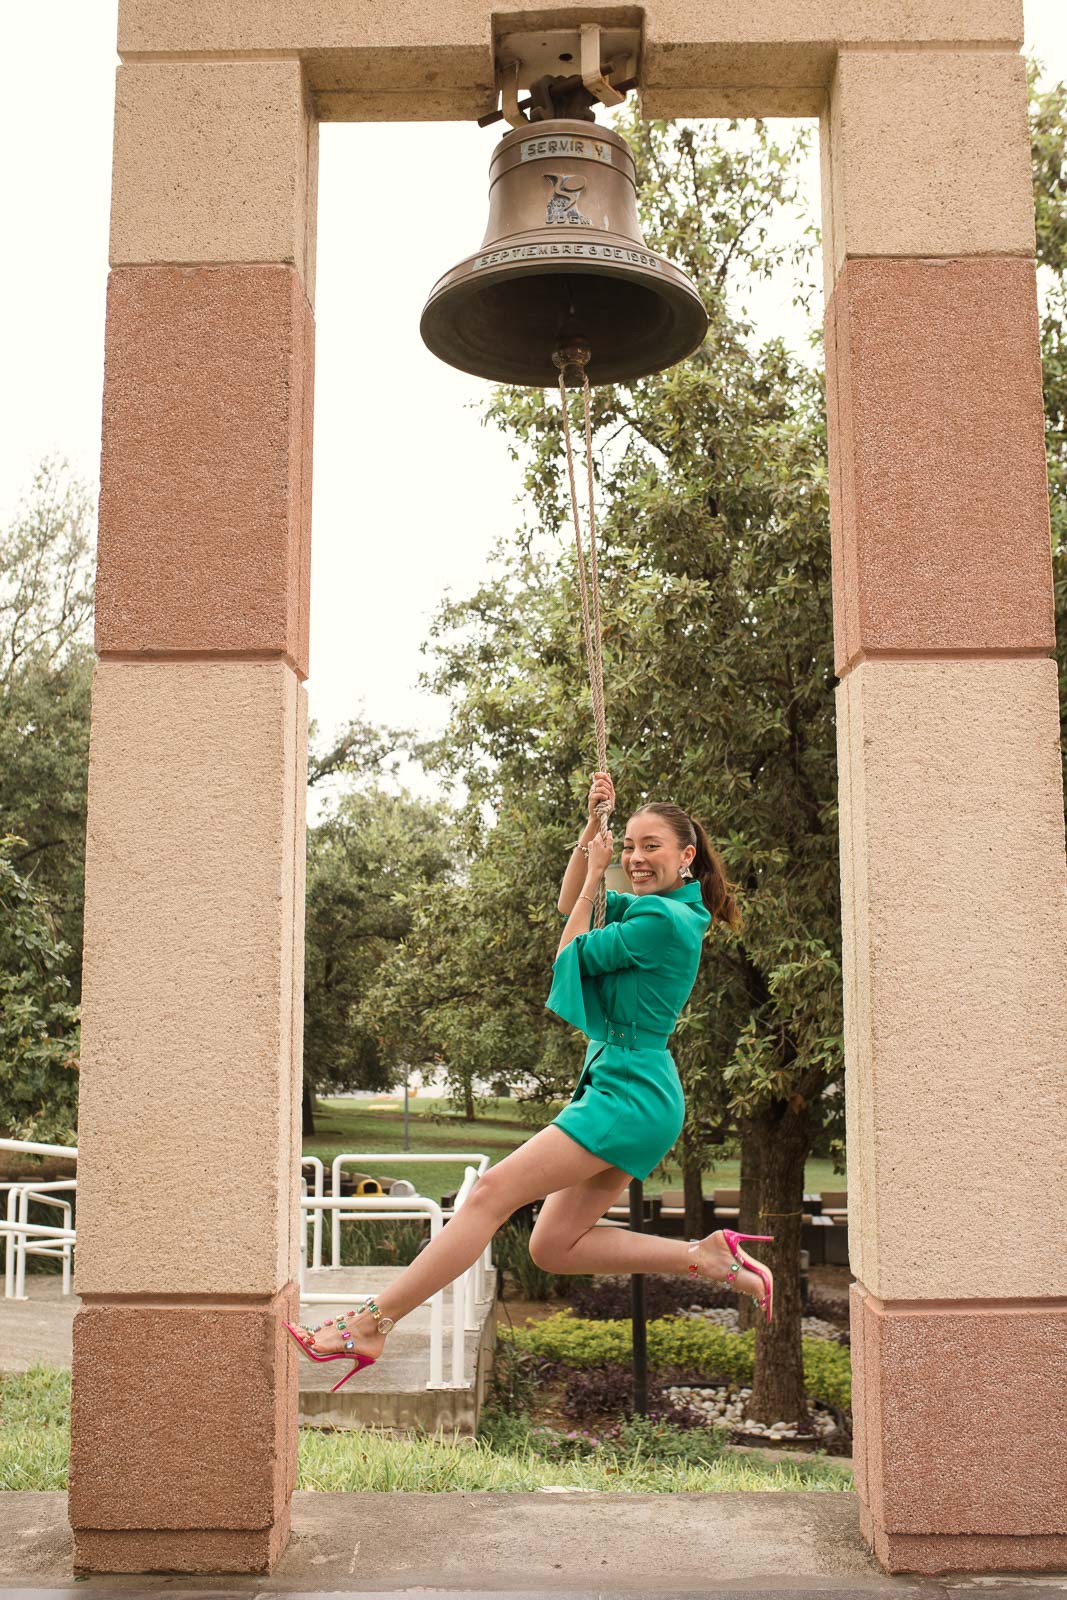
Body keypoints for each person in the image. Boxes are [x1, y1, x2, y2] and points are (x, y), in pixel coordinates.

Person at [286, 772, 773, 1384]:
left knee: (489, 1195)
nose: (635, 858)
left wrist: (598, 874)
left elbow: (569, 954)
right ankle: (702, 1256)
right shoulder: (667, 909)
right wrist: (591, 830)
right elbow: (572, 905)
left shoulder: (662, 921)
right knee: (552, 1246)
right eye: (628, 845)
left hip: (629, 1092)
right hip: (632, 1089)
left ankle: (370, 1324)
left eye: (651, 846)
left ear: (686, 855)